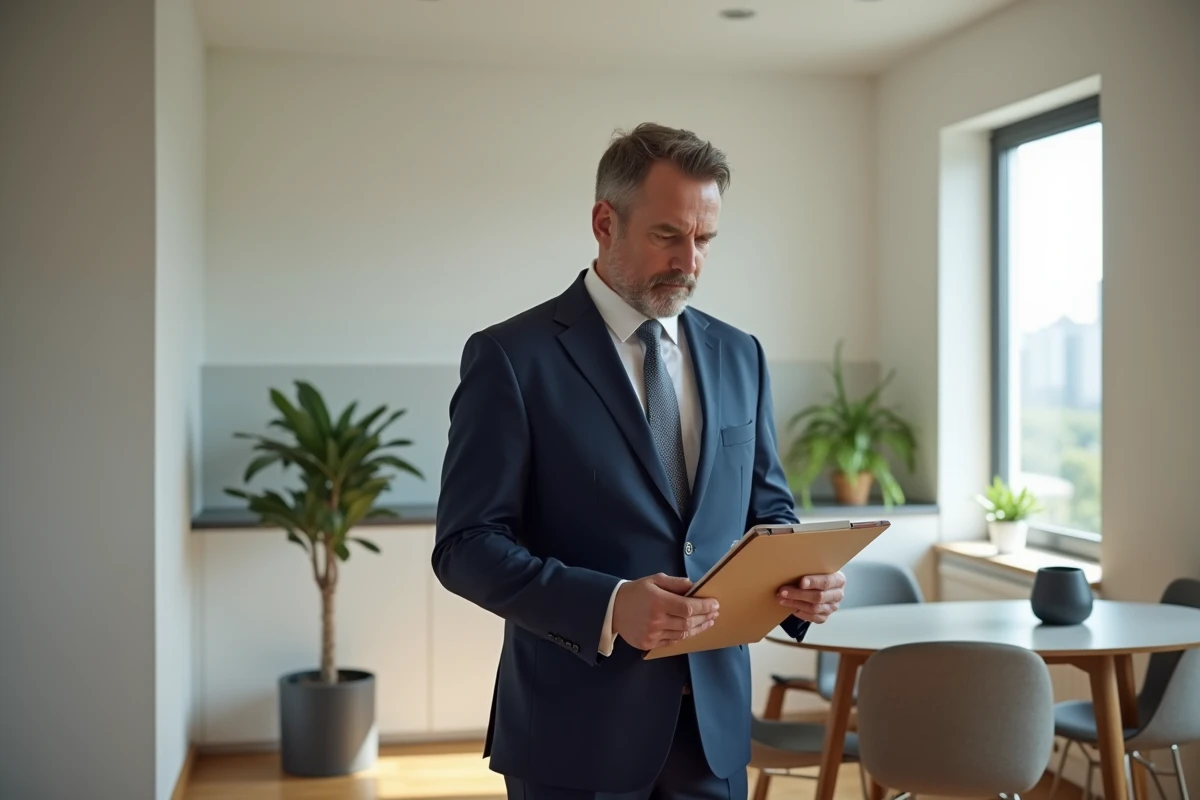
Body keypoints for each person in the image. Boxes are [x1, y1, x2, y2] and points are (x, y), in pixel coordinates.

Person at [432, 122, 847, 800]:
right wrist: (609, 604)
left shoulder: (740, 354)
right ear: (605, 222)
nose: (690, 261)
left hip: (712, 732)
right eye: (667, 235)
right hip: (573, 737)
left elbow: (768, 510)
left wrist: (802, 581)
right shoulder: (512, 357)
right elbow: (466, 546)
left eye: (705, 239)